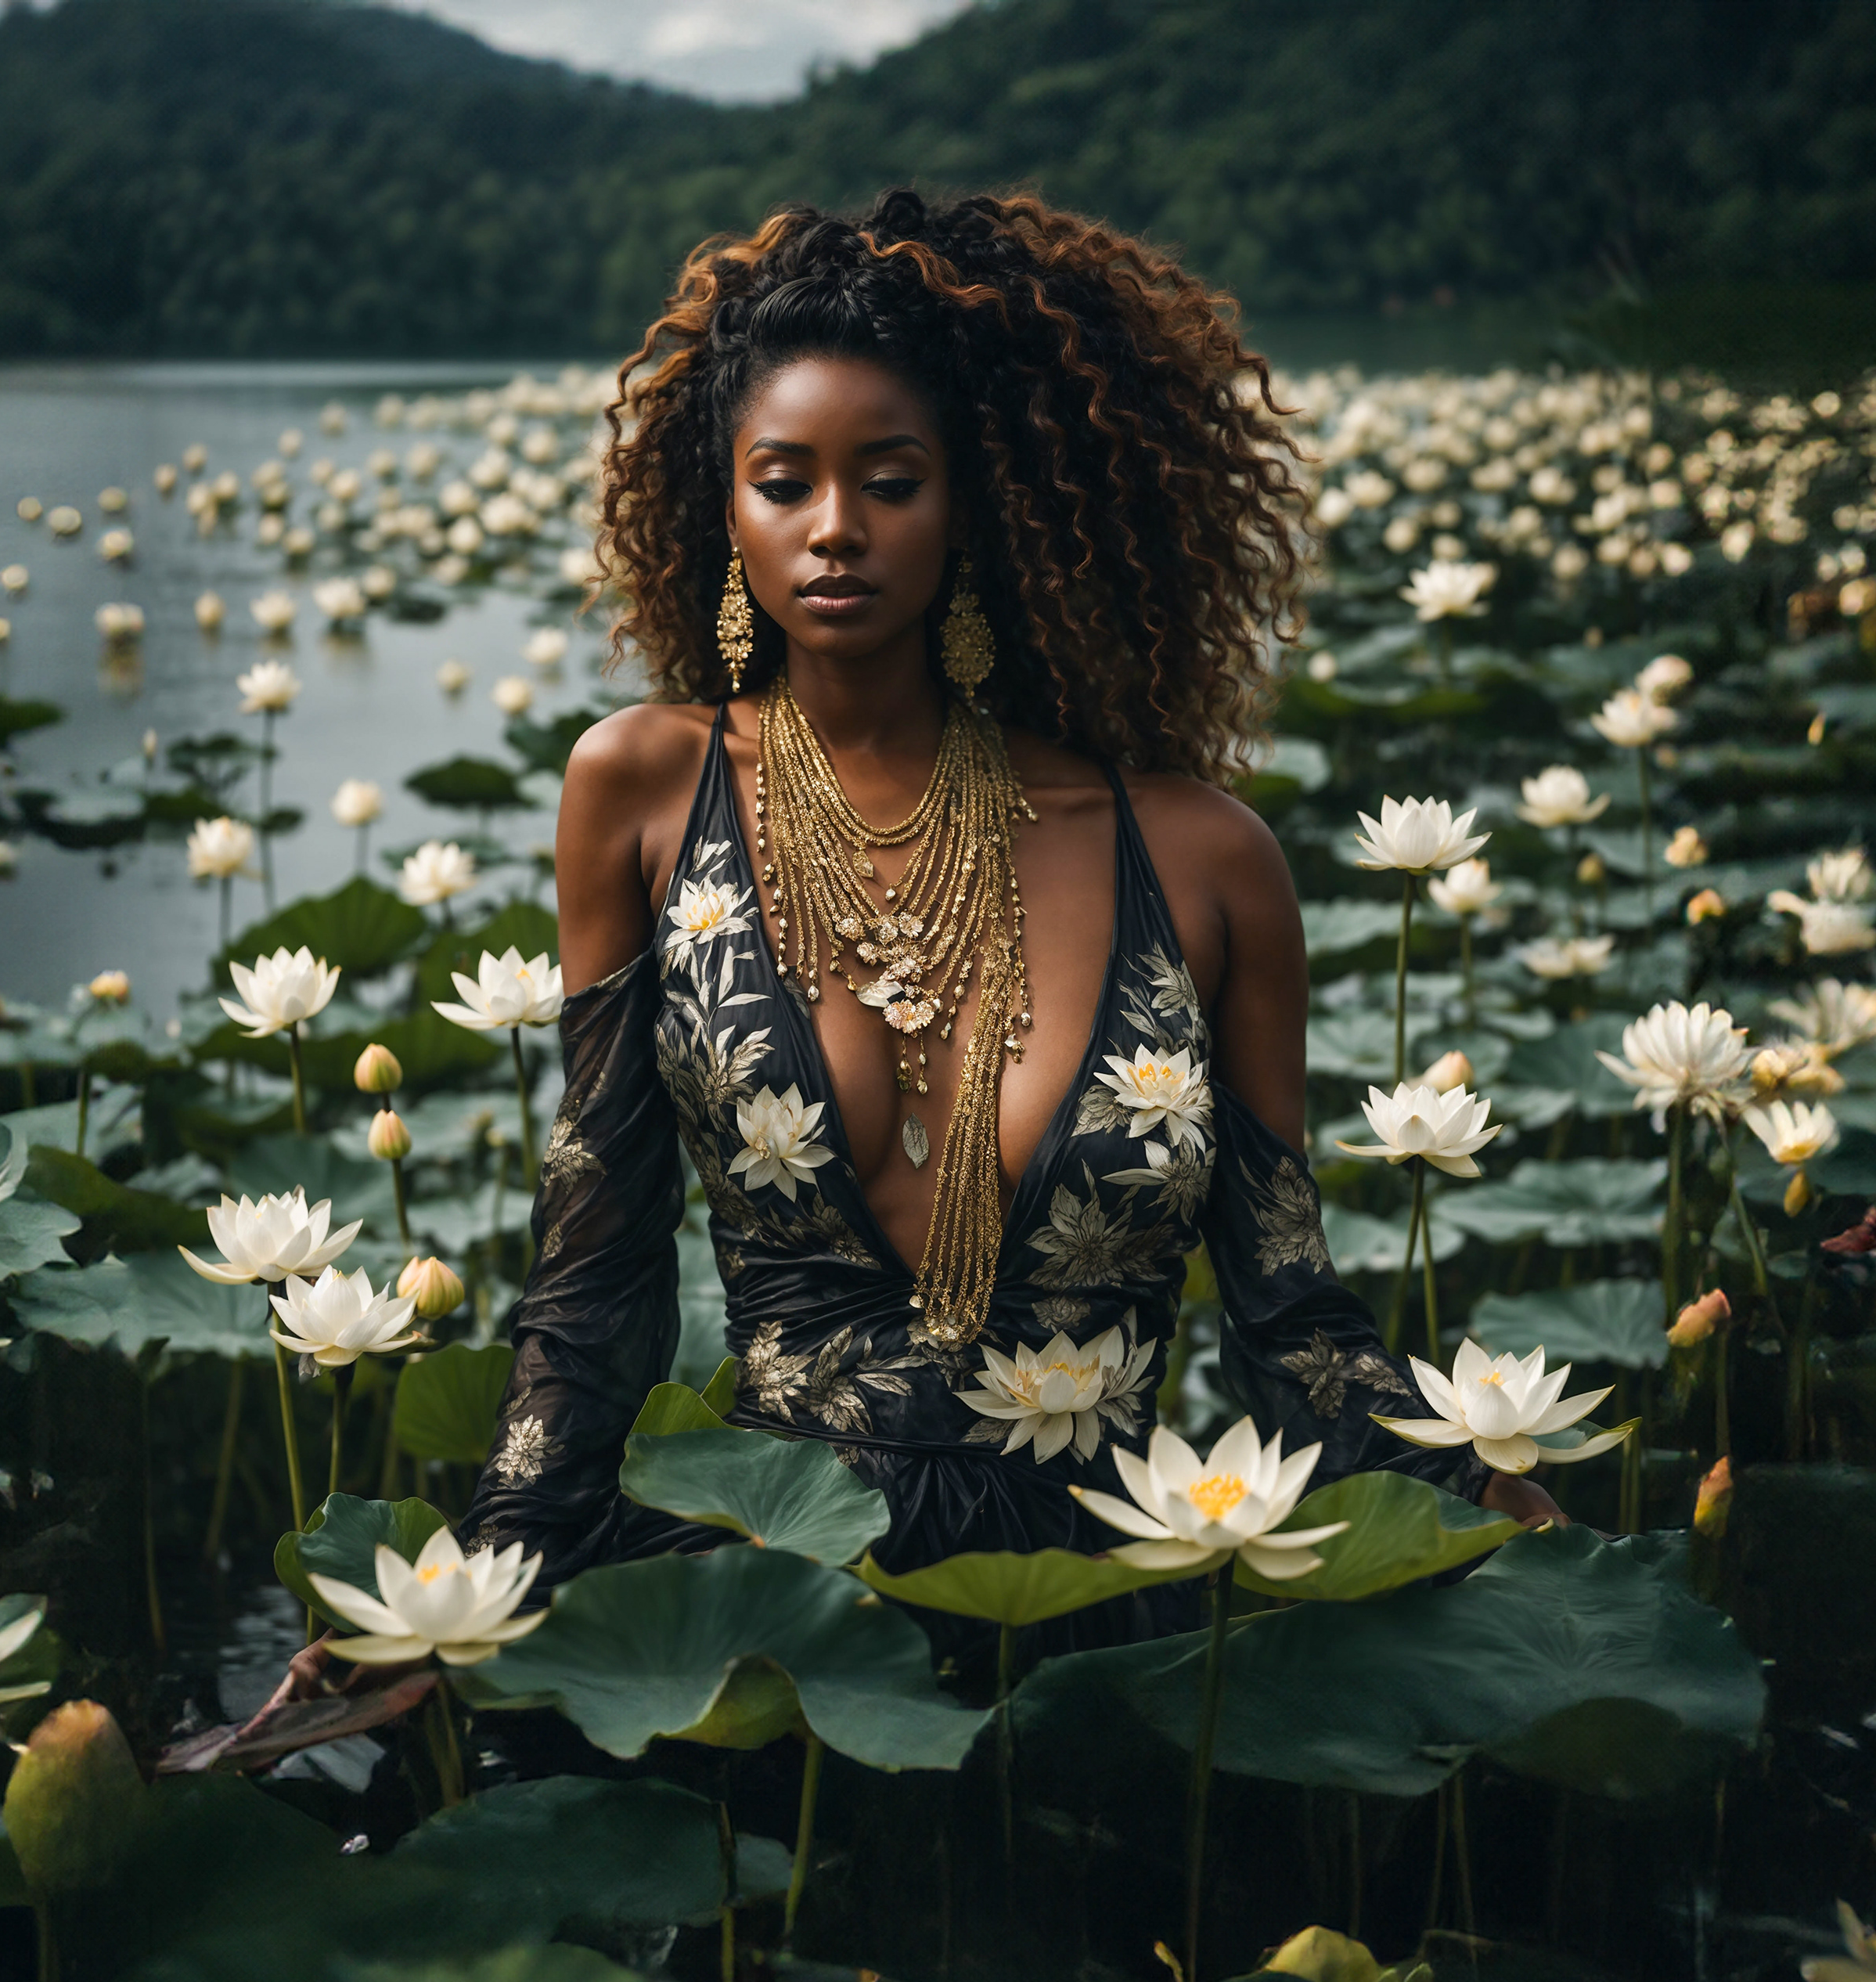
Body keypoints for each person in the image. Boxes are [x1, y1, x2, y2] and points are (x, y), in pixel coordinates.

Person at [460, 187, 1565, 1641]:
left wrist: (1491, 1499)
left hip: (1114, 1583)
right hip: (780, 1593)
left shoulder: (1202, 860)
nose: (836, 529)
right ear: (724, 505)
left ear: (977, 500)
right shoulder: (643, 792)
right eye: (785, 481)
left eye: (893, 480)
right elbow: (593, 1281)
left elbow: (1289, 1308)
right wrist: (478, 1590)